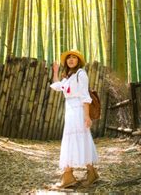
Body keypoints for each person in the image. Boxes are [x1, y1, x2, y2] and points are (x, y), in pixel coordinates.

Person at [50, 49, 99, 188]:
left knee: (78, 139)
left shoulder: (80, 74)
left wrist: (87, 116)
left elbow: (85, 96)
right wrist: (55, 71)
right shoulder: (69, 76)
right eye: (68, 58)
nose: (71, 60)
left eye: (74, 57)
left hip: (79, 110)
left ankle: (69, 175)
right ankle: (89, 173)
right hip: (70, 111)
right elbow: (57, 86)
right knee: (77, 139)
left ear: (79, 61)